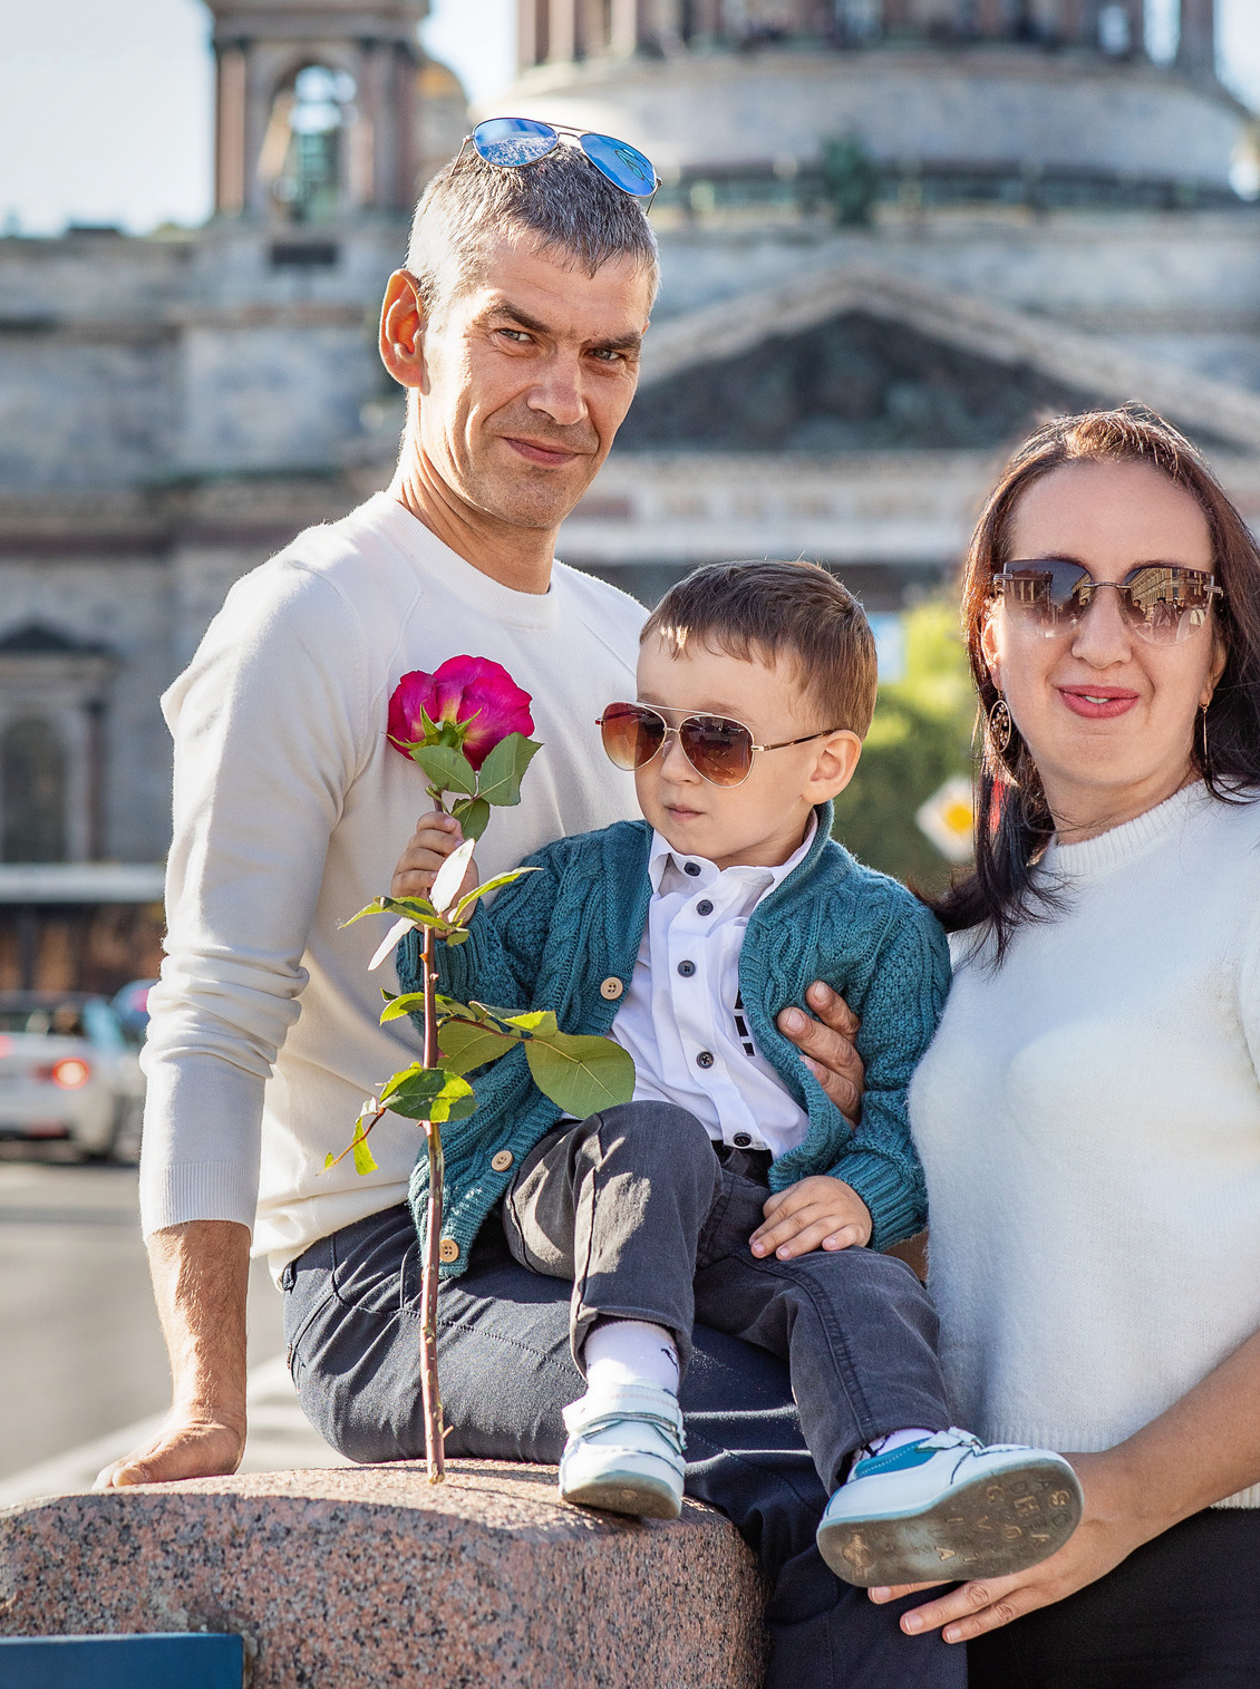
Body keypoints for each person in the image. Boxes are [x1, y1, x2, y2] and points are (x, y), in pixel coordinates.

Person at [100, 135, 941, 1686]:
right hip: (403, 1263)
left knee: (916, 1441)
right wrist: (212, 1397)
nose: (568, 398)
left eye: (607, 353)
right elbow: (213, 1012)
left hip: (651, 1228)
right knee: (815, 1472)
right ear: (411, 333)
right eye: (520, 339)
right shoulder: (308, 617)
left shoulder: (637, 645)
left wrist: (814, 1064)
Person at [889, 406, 1260, 1685]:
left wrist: (1120, 1496)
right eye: (1051, 589)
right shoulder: (963, 949)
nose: (1100, 636)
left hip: (1246, 1586)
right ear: (988, 638)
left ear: (1218, 649)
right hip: (1012, 1593)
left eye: (1161, 596)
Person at [388, 557, 1083, 1584]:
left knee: (852, 1281)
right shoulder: (581, 875)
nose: (670, 767)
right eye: (645, 728)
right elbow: (461, 1012)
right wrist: (434, 924)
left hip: (749, 1207)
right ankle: (625, 1402)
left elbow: (907, 1105)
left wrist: (861, 1191)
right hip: (580, 1179)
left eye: (716, 741)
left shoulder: (880, 928)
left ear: (827, 765)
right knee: (654, 1132)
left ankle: (899, 1461)